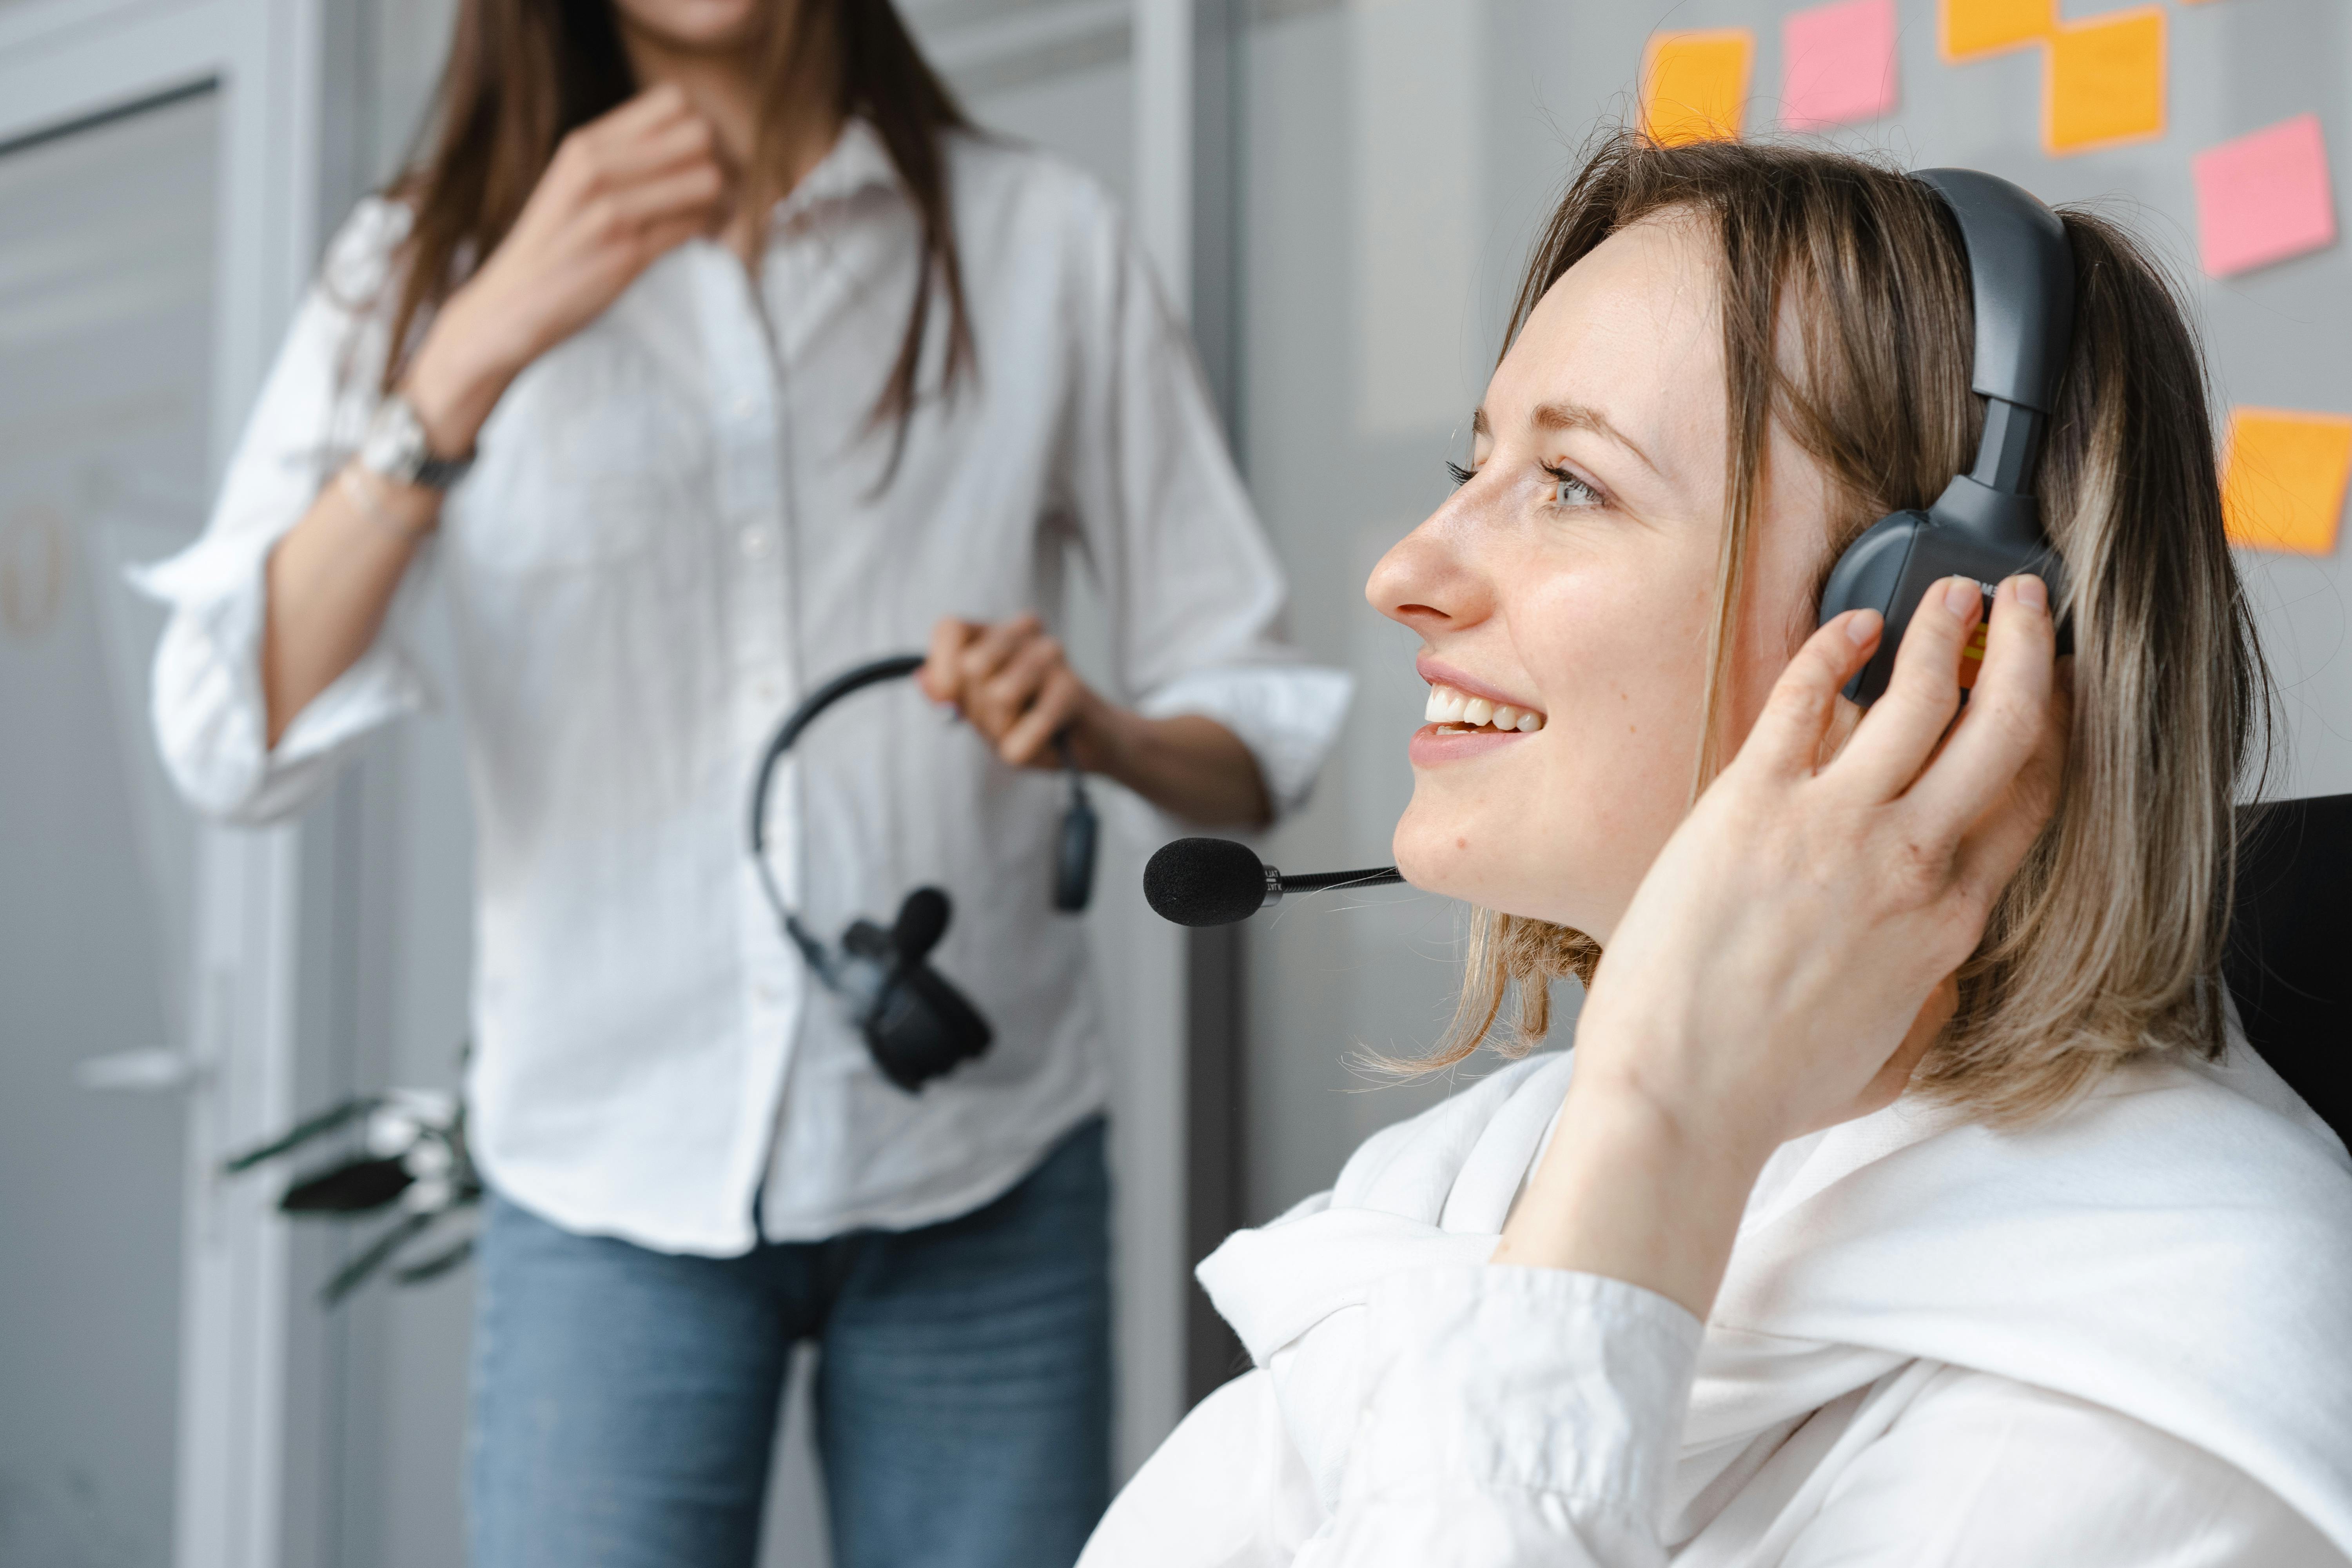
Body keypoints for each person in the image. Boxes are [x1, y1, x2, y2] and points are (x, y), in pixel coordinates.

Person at [138, 0, 1349, 1564]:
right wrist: (470, 356)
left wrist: (1095, 726)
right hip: (601, 1184)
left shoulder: (1040, 238)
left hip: (989, 1170)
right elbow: (230, 736)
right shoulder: (418, 269)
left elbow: (1254, 731)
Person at [1079, 136, 2352, 1565]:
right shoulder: (1460, 1189)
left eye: (1572, 485)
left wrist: (1663, 1134)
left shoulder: (2152, 1399)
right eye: (1472, 463)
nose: (1405, 575)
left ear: (1946, 627)